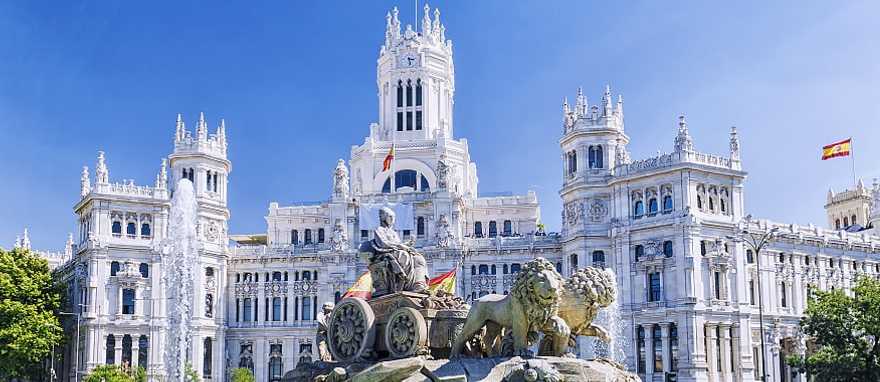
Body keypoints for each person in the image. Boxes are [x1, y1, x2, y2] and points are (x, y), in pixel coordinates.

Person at [360, 207, 429, 296]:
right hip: (386, 252)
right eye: (390, 217)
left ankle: (418, 285)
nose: (392, 219)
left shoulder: (393, 232)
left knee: (418, 258)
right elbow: (383, 243)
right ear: (384, 218)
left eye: (393, 217)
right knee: (404, 255)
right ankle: (403, 281)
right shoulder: (379, 230)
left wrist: (409, 244)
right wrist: (401, 246)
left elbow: (398, 243)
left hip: (396, 250)